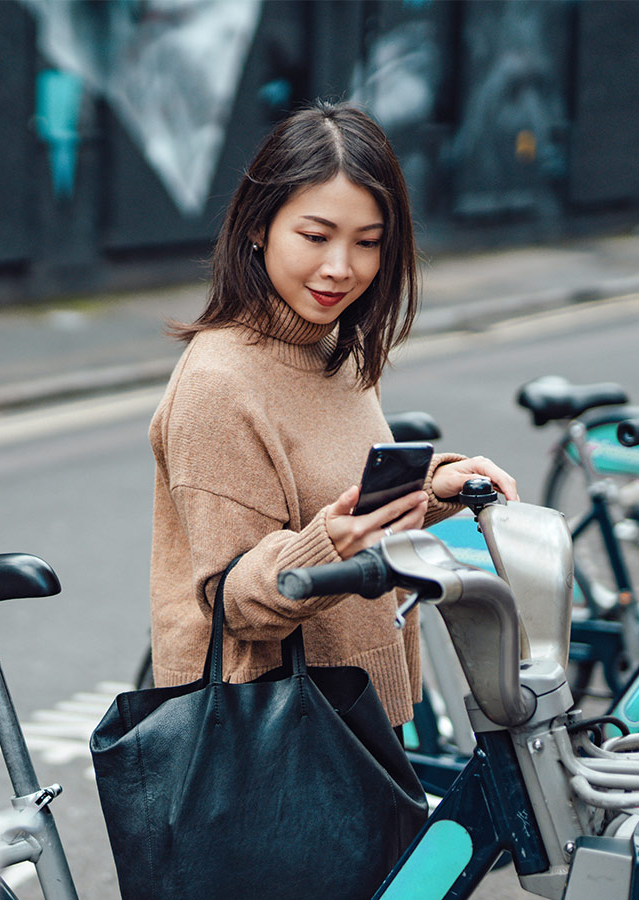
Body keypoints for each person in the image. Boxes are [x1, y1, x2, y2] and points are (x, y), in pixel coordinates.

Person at [148, 102, 519, 728]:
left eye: (367, 243)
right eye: (315, 237)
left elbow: (343, 499)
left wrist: (433, 487)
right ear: (259, 227)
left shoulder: (332, 346)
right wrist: (330, 546)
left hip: (354, 709)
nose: (340, 268)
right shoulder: (218, 383)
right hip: (274, 739)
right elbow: (234, 604)